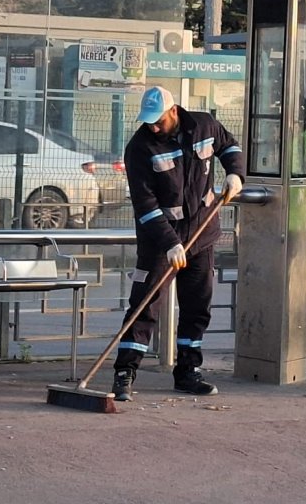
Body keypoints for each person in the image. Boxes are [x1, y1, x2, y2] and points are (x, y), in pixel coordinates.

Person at [112, 86, 244, 401]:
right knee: (144, 305)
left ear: (173, 112)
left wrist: (235, 174)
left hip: (202, 233)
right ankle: (125, 372)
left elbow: (229, 146)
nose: (152, 127)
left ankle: (187, 372)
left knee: (197, 307)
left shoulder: (204, 126)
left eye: (157, 121)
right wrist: (171, 243)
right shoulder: (139, 149)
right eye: (148, 122)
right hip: (160, 242)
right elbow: (145, 205)